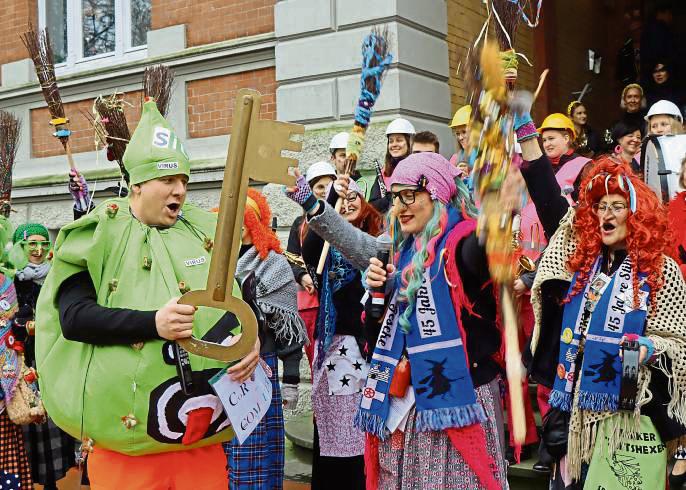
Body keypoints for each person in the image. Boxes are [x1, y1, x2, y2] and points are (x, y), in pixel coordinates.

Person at [34, 99, 259, 489]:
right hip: (127, 457)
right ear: (137, 184)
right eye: (168, 180)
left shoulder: (201, 235)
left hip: (199, 448)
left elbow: (240, 307)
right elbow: (74, 318)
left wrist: (251, 344)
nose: (180, 191)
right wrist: (154, 323)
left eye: (185, 181)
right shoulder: (98, 235)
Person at [286, 152, 508, 489]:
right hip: (406, 401)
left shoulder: (464, 242)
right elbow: (356, 245)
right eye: (395, 196)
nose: (401, 206)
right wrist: (313, 204)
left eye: (410, 195)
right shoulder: (400, 250)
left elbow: (485, 243)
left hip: (458, 400)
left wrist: (500, 191)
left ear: (437, 194)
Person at [514, 98, 686, 489]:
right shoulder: (580, 261)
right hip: (574, 418)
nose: (606, 215)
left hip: (631, 420)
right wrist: (524, 127)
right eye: (600, 207)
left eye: (617, 207)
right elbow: (547, 198)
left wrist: (649, 346)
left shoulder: (662, 270)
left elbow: (681, 343)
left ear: (637, 214)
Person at [294, 177, 382, 490]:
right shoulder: (325, 247)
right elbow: (311, 242)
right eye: (344, 200)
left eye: (354, 197)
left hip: (368, 346)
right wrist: (332, 195)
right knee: (333, 429)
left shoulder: (378, 239)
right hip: (334, 345)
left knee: (362, 427)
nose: (349, 204)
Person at [225, 188, 306, 490]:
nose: (240, 226)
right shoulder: (217, 262)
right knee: (226, 450)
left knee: (256, 454)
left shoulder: (275, 264)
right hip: (222, 368)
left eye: (244, 220)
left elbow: (289, 328)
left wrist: (293, 380)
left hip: (262, 366)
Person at [12, 223, 80, 489]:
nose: (39, 250)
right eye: (32, 244)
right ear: (20, 247)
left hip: (52, 360)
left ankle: (53, 480)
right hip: (21, 362)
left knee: (53, 420)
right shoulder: (9, 280)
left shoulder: (55, 278)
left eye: (44, 244)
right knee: (28, 420)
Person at [287, 161, 338, 368]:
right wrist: (302, 275)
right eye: (319, 187)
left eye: (329, 187)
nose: (325, 192)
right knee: (318, 362)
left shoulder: (345, 220)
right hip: (312, 304)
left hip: (338, 302)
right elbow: (291, 257)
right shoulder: (299, 225)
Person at [368, 118, 415, 213]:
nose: (394, 144)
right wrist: (390, 198)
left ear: (409, 143)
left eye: (399, 140)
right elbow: (372, 205)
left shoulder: (417, 168)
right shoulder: (384, 172)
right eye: (391, 141)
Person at [449, 105, 472, 178]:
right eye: (458, 134)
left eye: (464, 132)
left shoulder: (486, 157)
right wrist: (455, 177)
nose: (460, 138)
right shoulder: (455, 158)